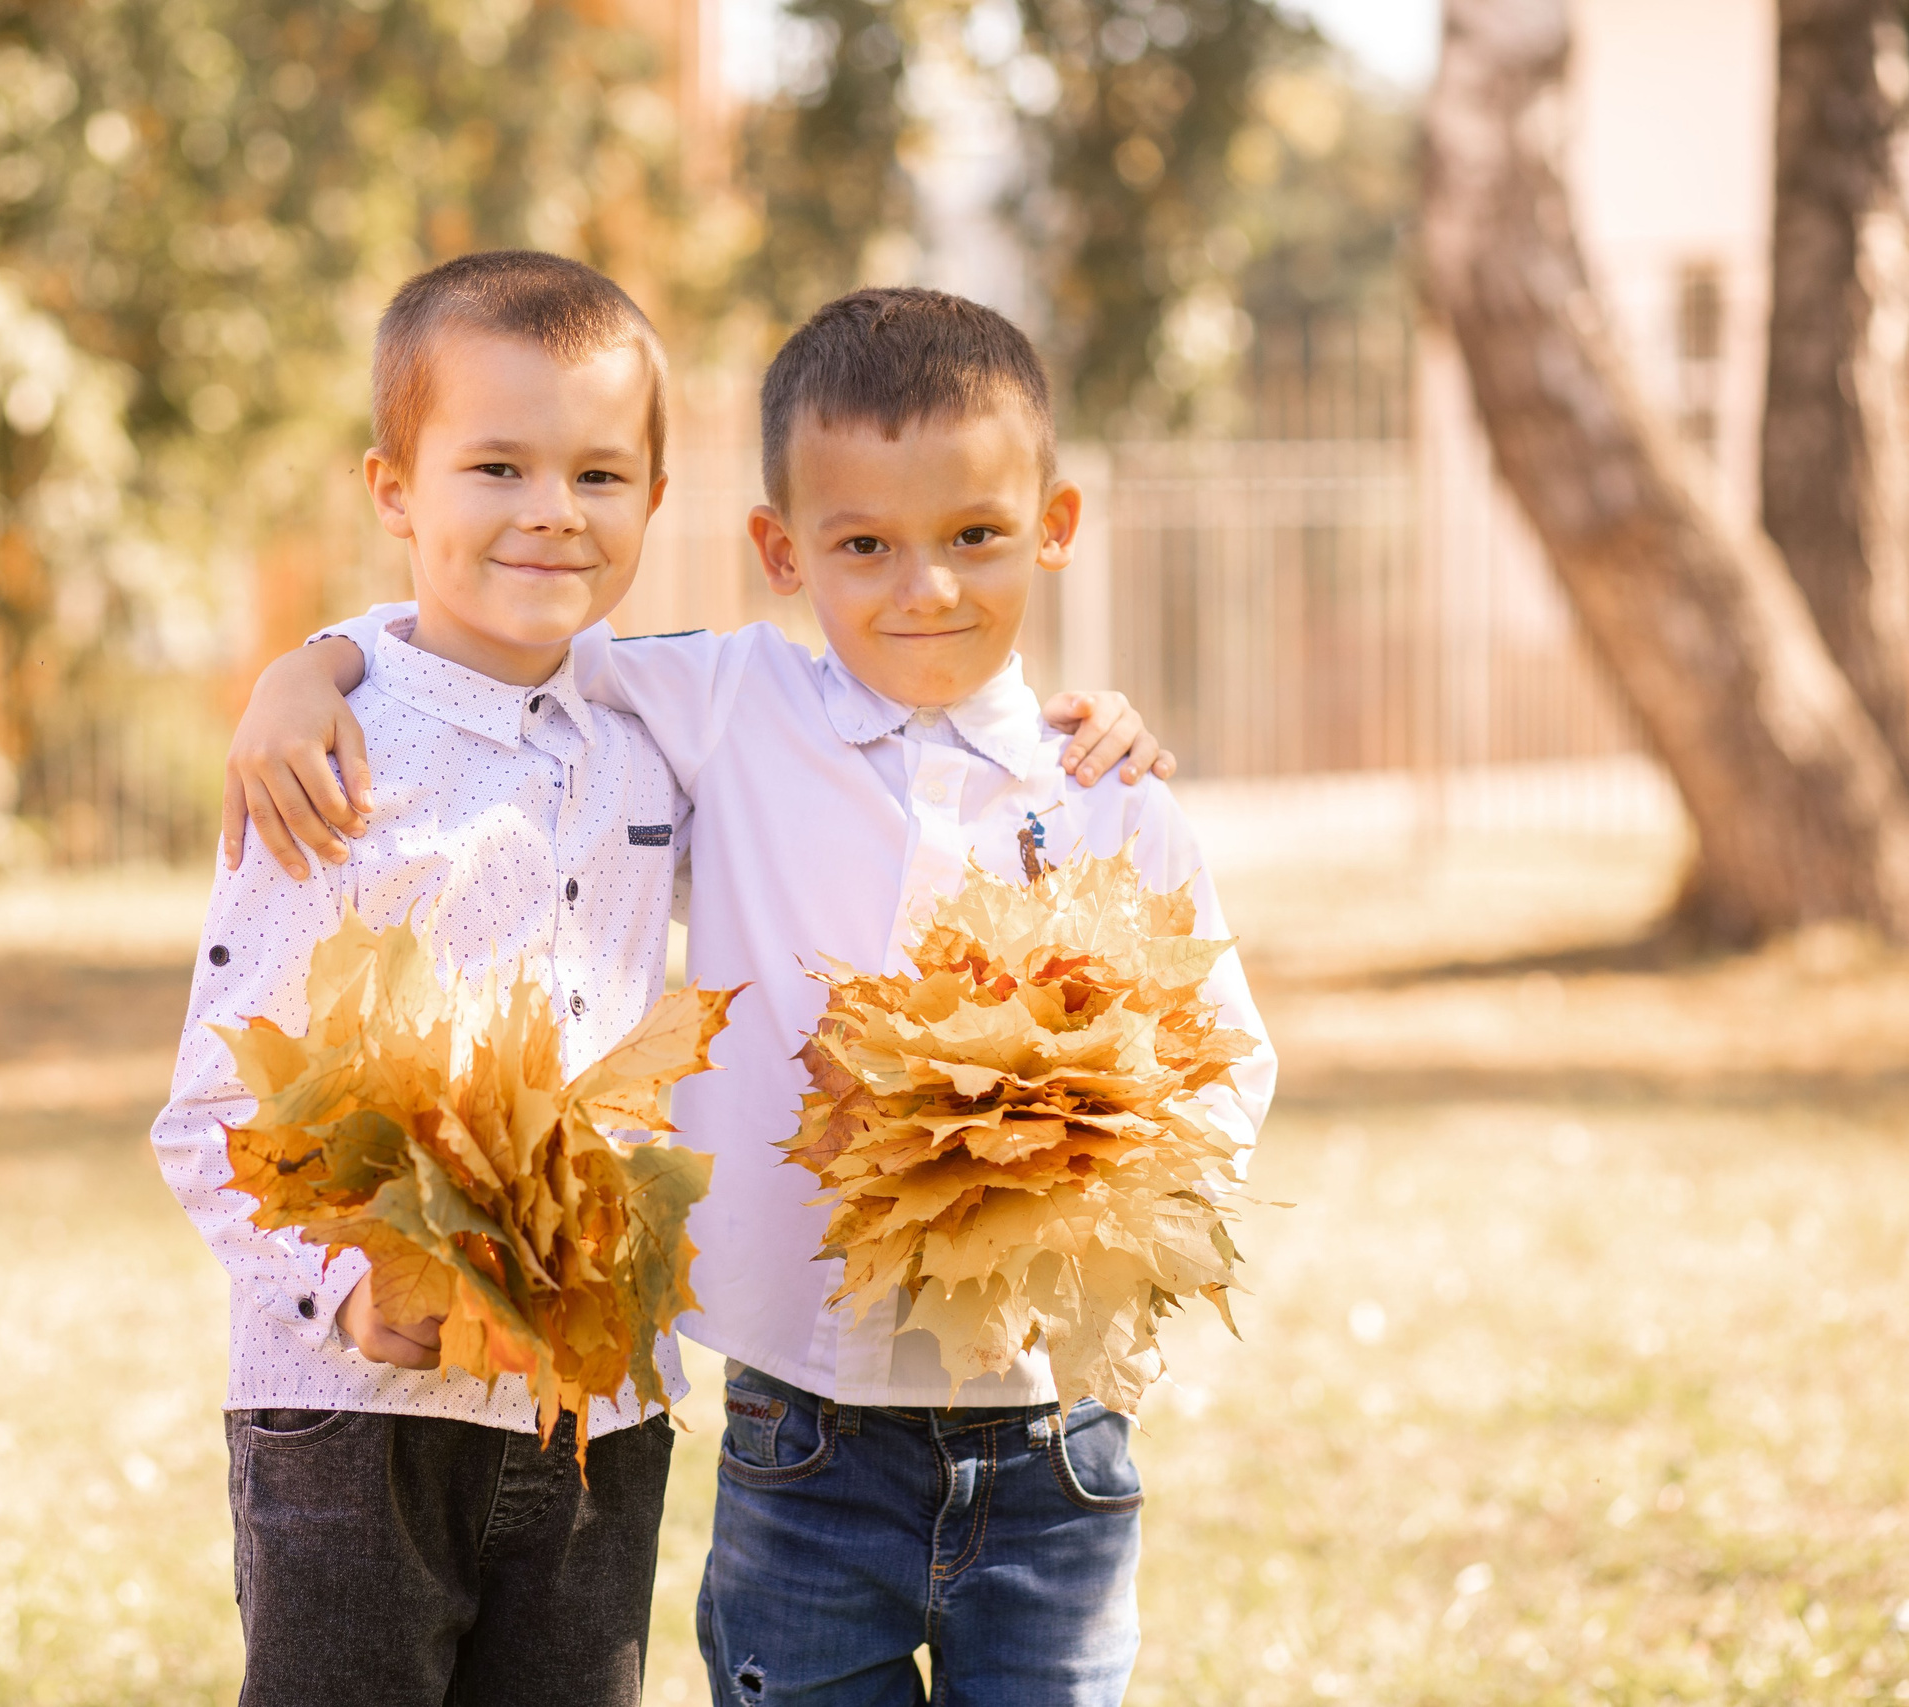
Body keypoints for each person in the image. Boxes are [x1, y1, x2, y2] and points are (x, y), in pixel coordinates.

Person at [225, 286, 1271, 1706]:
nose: (926, 589)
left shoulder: (1109, 796)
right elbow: (496, 633)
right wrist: (311, 665)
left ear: (1058, 527)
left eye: (977, 536)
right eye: (864, 546)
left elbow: (1222, 1068)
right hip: (805, 1426)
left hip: (1050, 1438)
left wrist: (1101, 1229)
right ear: (783, 551)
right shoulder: (729, 704)